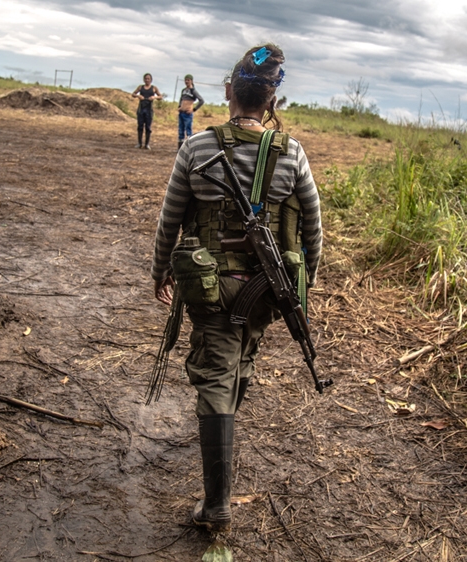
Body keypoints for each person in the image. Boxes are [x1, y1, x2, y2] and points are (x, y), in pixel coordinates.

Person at [150, 44, 322, 533]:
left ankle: (216, 502)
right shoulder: (293, 154)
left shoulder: (197, 147)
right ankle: (219, 490)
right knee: (235, 361)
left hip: (209, 285)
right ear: (270, 101)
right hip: (269, 288)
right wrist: (302, 287)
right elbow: (313, 230)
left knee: (220, 373)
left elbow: (170, 220)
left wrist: (159, 269)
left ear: (228, 92)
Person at [131, 73, 162, 149]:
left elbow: (160, 97)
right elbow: (133, 94)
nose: (147, 80)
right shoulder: (140, 87)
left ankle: (147, 144)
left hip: (149, 110)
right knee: (140, 126)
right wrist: (138, 96)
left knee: (148, 127)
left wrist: (154, 97)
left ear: (151, 80)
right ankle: (139, 143)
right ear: (144, 79)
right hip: (141, 109)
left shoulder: (154, 88)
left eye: (148, 79)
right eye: (146, 78)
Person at [177, 74, 204, 150]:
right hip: (181, 113)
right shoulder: (184, 90)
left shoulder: (193, 91)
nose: (186, 81)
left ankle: (189, 149)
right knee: (180, 131)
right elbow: (181, 99)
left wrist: (194, 109)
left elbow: (201, 101)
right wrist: (179, 106)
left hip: (188, 114)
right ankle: (180, 148)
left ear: (191, 81)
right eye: (186, 80)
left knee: (188, 131)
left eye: (188, 80)